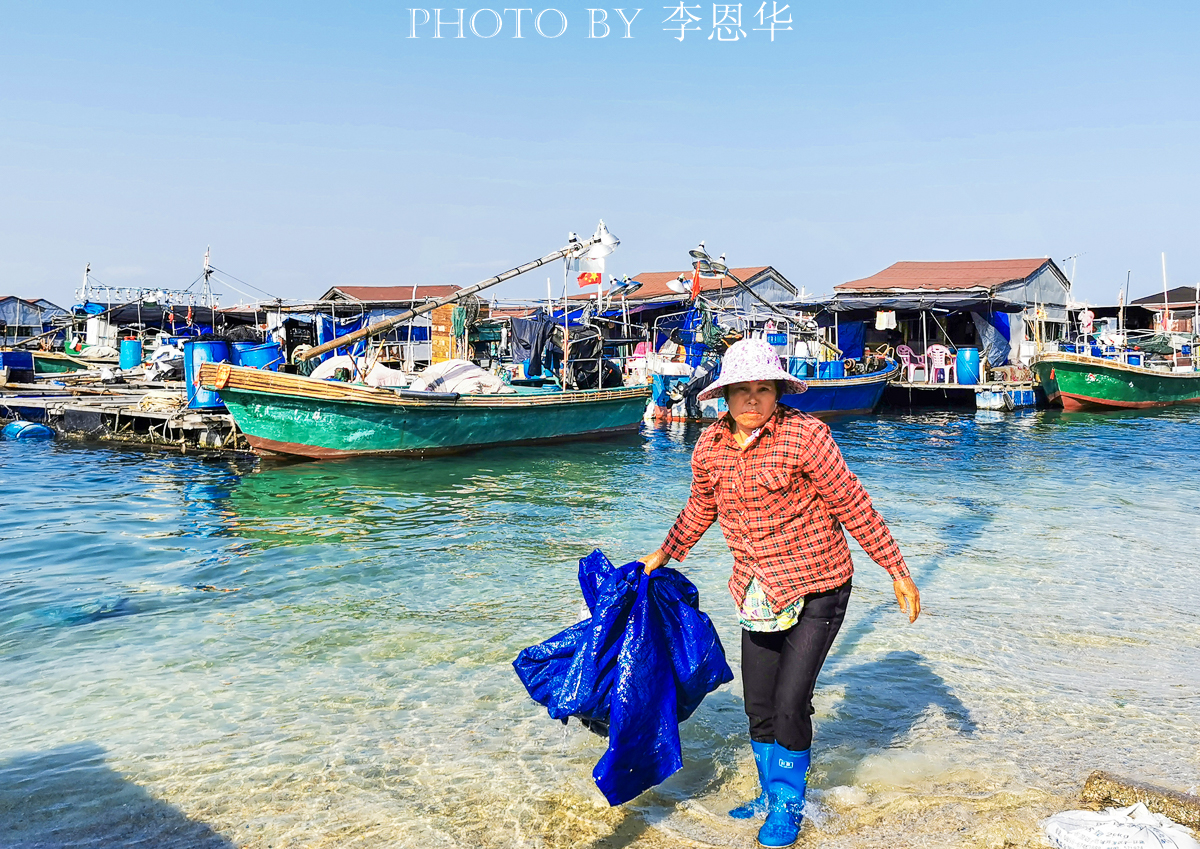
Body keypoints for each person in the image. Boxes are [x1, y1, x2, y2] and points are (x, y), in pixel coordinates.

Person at [640, 338, 920, 848]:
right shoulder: (709, 447)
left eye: (762, 390)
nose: (751, 400)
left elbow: (852, 502)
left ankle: (790, 805)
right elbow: (701, 507)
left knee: (792, 702)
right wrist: (663, 553)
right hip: (758, 587)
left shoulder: (805, 436)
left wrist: (896, 569)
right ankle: (771, 794)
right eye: (741, 390)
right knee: (758, 704)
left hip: (820, 583)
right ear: (723, 396)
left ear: (776, 393)